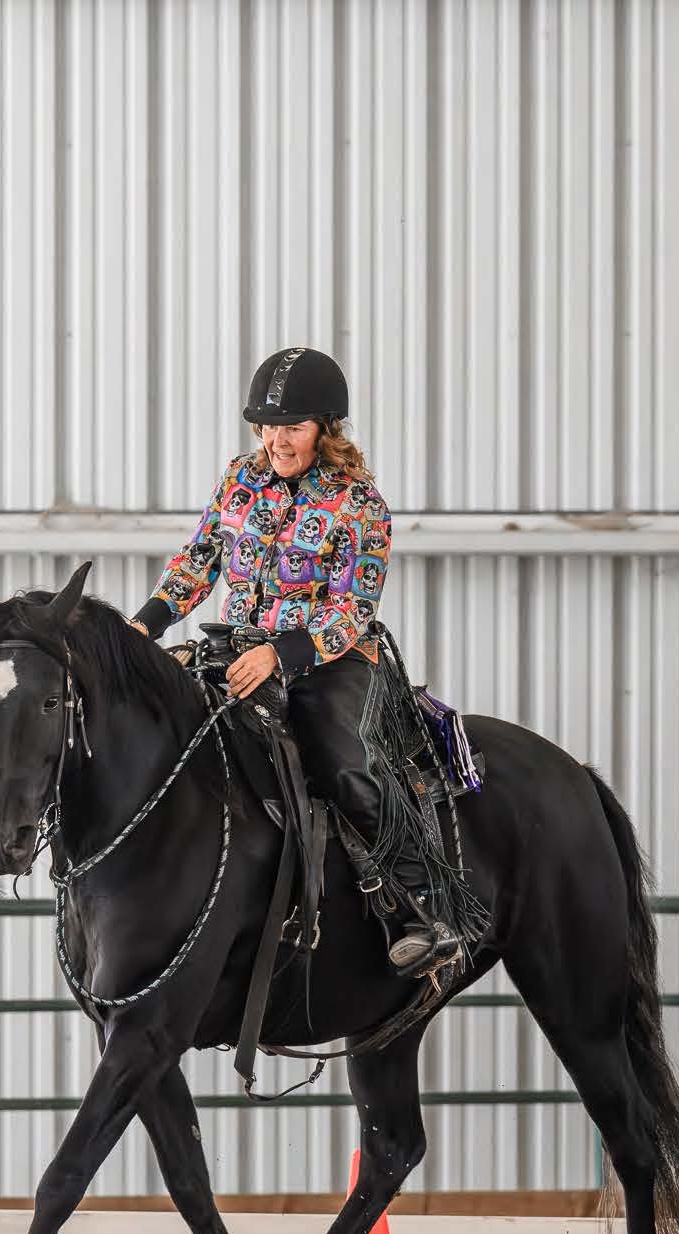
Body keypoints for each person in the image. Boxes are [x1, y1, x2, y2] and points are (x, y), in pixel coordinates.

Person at [128, 346, 460, 976]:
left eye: (293, 427)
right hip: (235, 649)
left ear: (325, 429)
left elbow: (352, 608)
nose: (275, 440)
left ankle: (425, 908)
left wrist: (279, 655)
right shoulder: (240, 479)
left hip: (327, 659)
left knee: (343, 763)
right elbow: (200, 559)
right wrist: (145, 623)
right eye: (267, 426)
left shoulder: (359, 503)